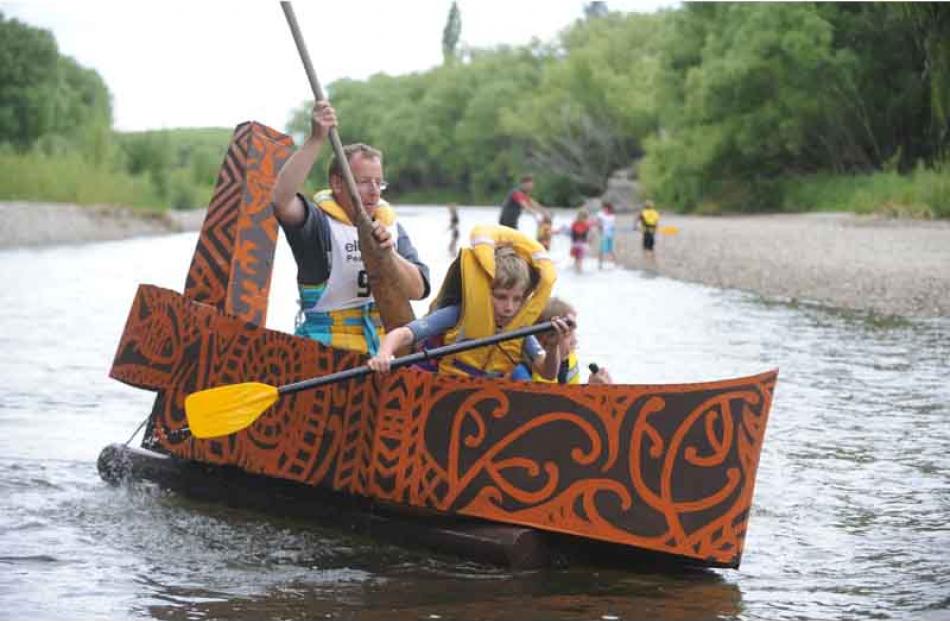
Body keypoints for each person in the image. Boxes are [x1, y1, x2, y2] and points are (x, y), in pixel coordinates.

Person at [271, 100, 431, 355]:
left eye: (379, 183)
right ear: (337, 183)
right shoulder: (318, 225)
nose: (373, 192)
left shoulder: (390, 225)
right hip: (328, 352)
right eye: (364, 182)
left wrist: (388, 254)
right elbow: (281, 200)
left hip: (383, 353)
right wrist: (316, 139)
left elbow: (419, 290)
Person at [368, 225, 572, 380]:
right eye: (500, 297)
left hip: (485, 401)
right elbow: (403, 334)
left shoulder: (519, 329)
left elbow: (547, 373)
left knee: (521, 374)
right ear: (485, 291)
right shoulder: (457, 314)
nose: (509, 307)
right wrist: (384, 354)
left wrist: (553, 348)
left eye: (517, 299)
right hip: (442, 389)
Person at [511, 297, 613, 385]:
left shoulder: (570, 358)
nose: (574, 339)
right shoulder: (522, 372)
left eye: (574, 331)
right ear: (545, 339)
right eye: (568, 333)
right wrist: (591, 390)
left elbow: (570, 398)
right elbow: (547, 404)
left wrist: (595, 389)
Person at [569, 208, 593, 273]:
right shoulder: (586, 225)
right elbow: (589, 235)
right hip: (582, 244)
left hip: (575, 243)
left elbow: (572, 234)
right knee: (580, 259)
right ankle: (579, 271)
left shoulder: (574, 223)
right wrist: (590, 241)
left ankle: (576, 271)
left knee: (576, 259)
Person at [596, 202, 617, 269]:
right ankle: (600, 264)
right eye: (603, 208)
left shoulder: (612, 216)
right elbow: (599, 223)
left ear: (608, 208)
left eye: (605, 208)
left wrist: (612, 231)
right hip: (604, 234)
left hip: (610, 234)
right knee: (601, 249)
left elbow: (613, 226)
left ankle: (615, 264)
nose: (604, 209)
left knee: (611, 249)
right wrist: (600, 229)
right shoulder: (600, 214)